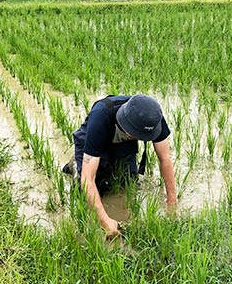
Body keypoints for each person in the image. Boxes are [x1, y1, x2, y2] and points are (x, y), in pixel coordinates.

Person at [72, 94, 177, 236]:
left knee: (127, 183)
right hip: (93, 141)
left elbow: (164, 159)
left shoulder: (152, 117)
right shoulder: (101, 117)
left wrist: (172, 201)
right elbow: (87, 179)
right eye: (137, 134)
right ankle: (75, 164)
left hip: (124, 145)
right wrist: (105, 220)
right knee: (87, 192)